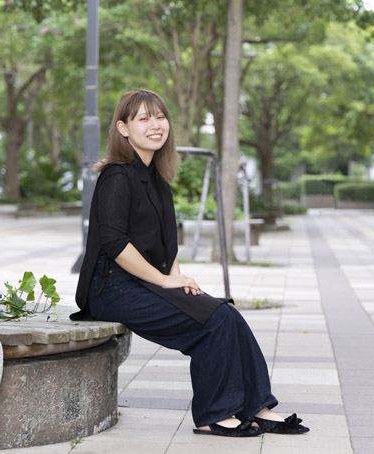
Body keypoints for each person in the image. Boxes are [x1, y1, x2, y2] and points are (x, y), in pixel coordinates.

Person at [72, 89, 308, 437]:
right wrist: (165, 282)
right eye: (144, 118)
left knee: (227, 315)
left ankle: (258, 406)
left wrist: (178, 281)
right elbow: (115, 243)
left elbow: (167, 248)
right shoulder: (117, 176)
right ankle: (213, 415)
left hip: (144, 283)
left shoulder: (158, 181)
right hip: (111, 289)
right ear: (123, 128)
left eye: (160, 117)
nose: (155, 125)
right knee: (214, 323)